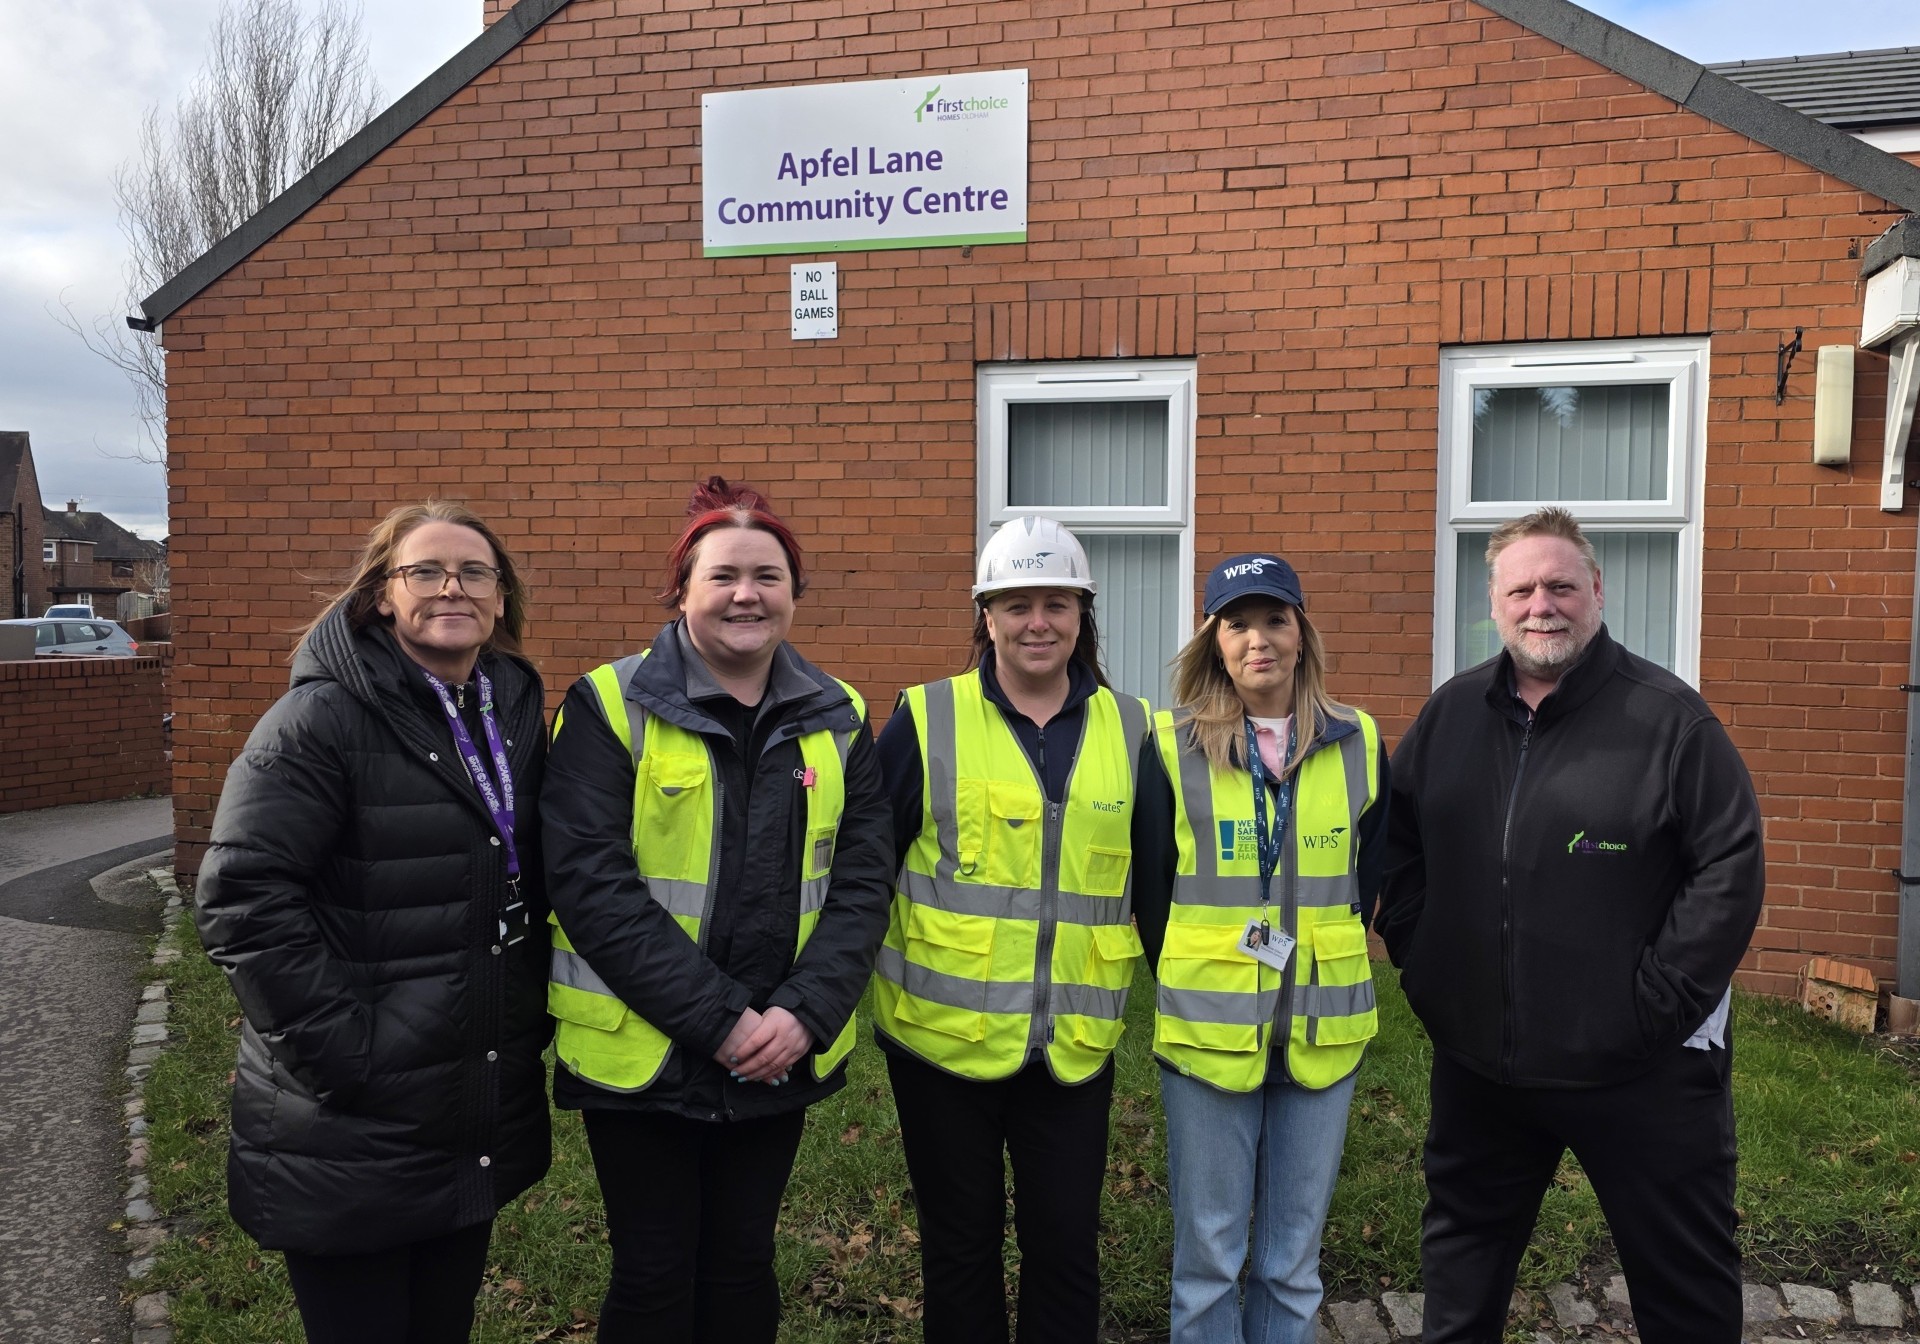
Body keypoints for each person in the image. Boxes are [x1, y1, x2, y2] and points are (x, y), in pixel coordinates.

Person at [1375, 507, 1764, 1344]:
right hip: (1482, 1068)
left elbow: (1729, 868)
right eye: (1521, 589)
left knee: (1685, 1293)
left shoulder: (1669, 721)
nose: (1540, 604)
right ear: (1494, 603)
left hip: (1640, 1073)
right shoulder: (1449, 718)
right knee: (1460, 1287)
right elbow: (1396, 848)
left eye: (1560, 585)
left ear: (1597, 590)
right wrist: (1426, 962)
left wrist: (1653, 1005)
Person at [542, 476, 892, 1344]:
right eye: (724, 575)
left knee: (742, 1263)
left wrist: (803, 1014)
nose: (747, 594)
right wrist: (721, 1019)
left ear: (794, 596)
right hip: (646, 1054)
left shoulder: (839, 714)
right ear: (682, 592)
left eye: (768, 576)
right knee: (654, 1274)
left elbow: (862, 879)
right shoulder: (607, 705)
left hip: (779, 1047)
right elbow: (592, 885)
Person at [195, 501, 550, 1344]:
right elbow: (242, 897)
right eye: (424, 570)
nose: (451, 587)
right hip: (347, 1121)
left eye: (474, 571)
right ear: (382, 596)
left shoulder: (509, 714)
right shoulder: (320, 719)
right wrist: (348, 1059)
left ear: (501, 598)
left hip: (466, 1099)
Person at [873, 515, 1154, 1344]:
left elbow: (1162, 883)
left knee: (1065, 1246)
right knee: (959, 1249)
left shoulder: (1135, 730)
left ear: (1082, 615)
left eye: (1057, 603)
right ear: (986, 616)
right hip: (940, 1041)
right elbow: (866, 867)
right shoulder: (925, 719)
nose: (1039, 621)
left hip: (1072, 1045)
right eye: (1017, 603)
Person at [1133, 553, 1388, 1344]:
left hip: (1325, 1032)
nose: (1258, 641)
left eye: (1274, 620)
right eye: (1236, 624)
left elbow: (1367, 880)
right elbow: (1149, 895)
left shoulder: (1359, 739)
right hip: (1209, 1035)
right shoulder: (1170, 747)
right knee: (1209, 1260)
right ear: (1213, 642)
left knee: (1292, 1261)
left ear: (1302, 633)